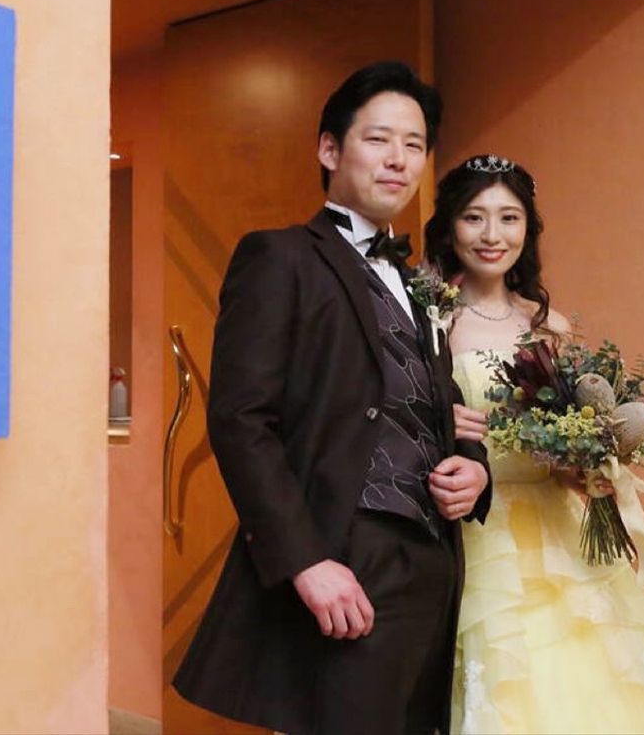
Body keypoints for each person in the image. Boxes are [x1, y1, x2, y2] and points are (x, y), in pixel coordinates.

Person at [172, 61, 492, 735]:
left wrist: (473, 466)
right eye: (378, 139)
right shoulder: (280, 258)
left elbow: (436, 404)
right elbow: (240, 419)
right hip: (346, 552)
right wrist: (306, 560)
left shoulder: (419, 283)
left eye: (414, 145)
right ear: (328, 149)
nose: (398, 159)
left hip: (432, 561)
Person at [426, 154, 644, 734]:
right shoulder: (431, 321)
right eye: (474, 217)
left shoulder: (550, 326)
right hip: (474, 528)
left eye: (509, 218)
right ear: (450, 227)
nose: (493, 235)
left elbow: (560, 445)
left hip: (557, 533)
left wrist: (589, 466)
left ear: (528, 229)